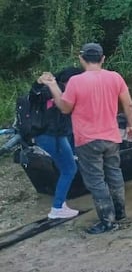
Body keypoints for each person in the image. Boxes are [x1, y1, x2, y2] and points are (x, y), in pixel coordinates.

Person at [39, 42, 132, 235]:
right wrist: (131, 126)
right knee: (114, 174)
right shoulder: (115, 77)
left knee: (96, 181)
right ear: (102, 59)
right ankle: (120, 212)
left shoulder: (76, 81)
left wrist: (52, 86)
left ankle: (107, 221)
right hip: (111, 137)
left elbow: (65, 108)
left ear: (81, 59)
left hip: (88, 140)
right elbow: (129, 104)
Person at [31, 66, 83, 219]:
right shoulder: (59, 92)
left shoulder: (50, 90)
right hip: (52, 136)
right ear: (70, 81)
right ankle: (57, 208)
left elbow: (33, 95)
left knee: (65, 168)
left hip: (49, 135)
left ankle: (61, 204)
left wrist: (38, 84)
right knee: (69, 169)